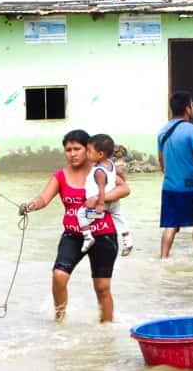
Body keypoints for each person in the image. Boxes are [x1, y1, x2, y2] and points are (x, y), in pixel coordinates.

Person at [19, 129, 129, 322]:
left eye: (77, 149)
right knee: (59, 275)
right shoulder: (60, 176)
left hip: (103, 234)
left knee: (102, 288)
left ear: (88, 150)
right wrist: (30, 206)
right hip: (73, 234)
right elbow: (44, 198)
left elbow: (124, 188)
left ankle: (106, 331)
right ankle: (60, 320)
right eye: (68, 149)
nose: (72, 154)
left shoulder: (101, 170)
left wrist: (98, 198)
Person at [157, 91, 193, 259]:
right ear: (188, 108)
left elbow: (161, 161)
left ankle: (163, 258)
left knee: (171, 225)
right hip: (191, 187)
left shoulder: (162, 131)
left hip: (169, 186)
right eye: (192, 106)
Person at [82, 134, 133, 255]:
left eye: (89, 151)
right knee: (119, 218)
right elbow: (119, 172)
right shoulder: (110, 164)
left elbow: (101, 188)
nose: (87, 154)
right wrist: (123, 179)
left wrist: (99, 203)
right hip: (114, 202)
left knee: (82, 215)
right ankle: (128, 241)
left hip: (102, 203)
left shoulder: (98, 170)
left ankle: (88, 237)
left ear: (100, 154)